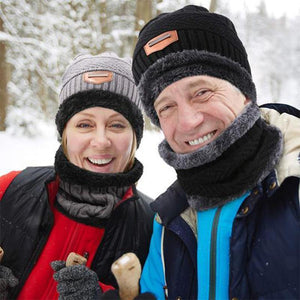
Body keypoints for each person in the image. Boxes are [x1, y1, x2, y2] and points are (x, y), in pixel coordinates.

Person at [131, 5, 300, 300]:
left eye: (202, 92)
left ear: (245, 91)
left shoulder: (293, 185)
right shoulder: (168, 220)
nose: (188, 122)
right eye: (166, 107)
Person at [0, 52, 154, 299]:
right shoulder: (10, 189)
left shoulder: (155, 227)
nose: (101, 141)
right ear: (65, 133)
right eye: (85, 124)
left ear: (135, 136)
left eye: (116, 125)